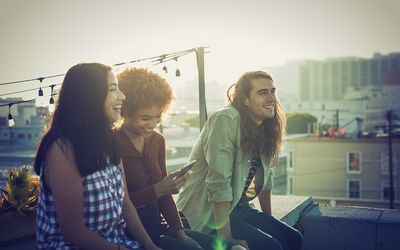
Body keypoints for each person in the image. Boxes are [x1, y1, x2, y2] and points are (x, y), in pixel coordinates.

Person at [34, 63, 160, 249]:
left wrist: (150, 246)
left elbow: (125, 203)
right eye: (113, 89)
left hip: (119, 243)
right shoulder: (62, 150)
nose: (122, 96)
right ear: (89, 97)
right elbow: (74, 232)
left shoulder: (108, 141)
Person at [177, 71, 303, 250]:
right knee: (271, 247)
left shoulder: (265, 127)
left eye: (272, 91)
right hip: (206, 215)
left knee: (292, 238)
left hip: (235, 207)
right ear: (244, 99)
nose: (271, 98)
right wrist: (226, 238)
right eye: (262, 93)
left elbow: (266, 180)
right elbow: (219, 183)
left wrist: (269, 220)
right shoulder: (226, 120)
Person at [116, 68, 232, 250]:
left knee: (227, 248)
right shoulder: (112, 143)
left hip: (159, 225)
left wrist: (180, 232)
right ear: (125, 111)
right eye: (145, 118)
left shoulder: (157, 140)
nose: (153, 125)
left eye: (158, 117)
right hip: (129, 233)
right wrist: (157, 190)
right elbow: (118, 204)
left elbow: (164, 196)